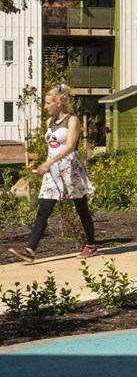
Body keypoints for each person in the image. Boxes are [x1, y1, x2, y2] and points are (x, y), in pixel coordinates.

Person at [8, 84, 99, 263]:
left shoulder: (73, 120)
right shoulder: (49, 122)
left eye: (48, 103)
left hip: (70, 169)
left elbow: (71, 146)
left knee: (81, 208)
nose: (45, 106)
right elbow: (51, 146)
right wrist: (43, 164)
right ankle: (30, 250)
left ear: (58, 103)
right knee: (44, 209)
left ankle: (91, 244)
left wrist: (49, 162)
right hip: (53, 171)